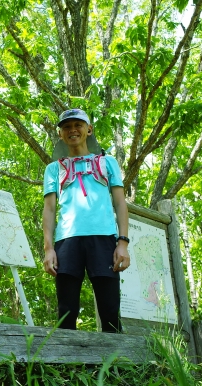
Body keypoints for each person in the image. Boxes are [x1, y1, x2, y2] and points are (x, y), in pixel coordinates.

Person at [42, 109, 130, 333]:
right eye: (67, 127)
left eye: (78, 125)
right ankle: (66, 366)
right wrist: (48, 249)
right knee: (66, 311)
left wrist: (123, 243)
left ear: (89, 129)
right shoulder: (54, 169)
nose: (73, 130)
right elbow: (50, 209)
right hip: (67, 242)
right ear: (61, 134)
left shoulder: (107, 163)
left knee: (110, 310)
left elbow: (120, 204)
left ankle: (115, 367)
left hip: (103, 240)